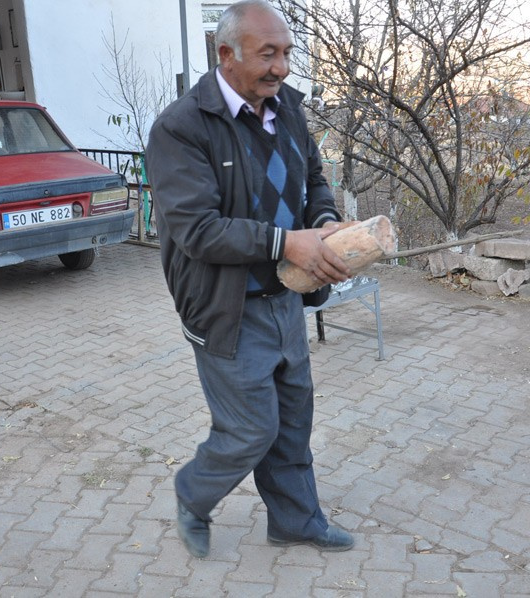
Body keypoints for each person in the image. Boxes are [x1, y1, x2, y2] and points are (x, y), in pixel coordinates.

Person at [145, 0, 355, 558]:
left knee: (292, 422)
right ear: (226, 54)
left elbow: (312, 178)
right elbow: (197, 229)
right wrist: (288, 242)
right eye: (268, 54)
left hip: (288, 296)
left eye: (285, 53)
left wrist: (327, 227)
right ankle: (193, 492)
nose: (282, 67)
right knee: (249, 431)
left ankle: (295, 520)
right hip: (227, 309)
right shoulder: (180, 128)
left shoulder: (285, 106)